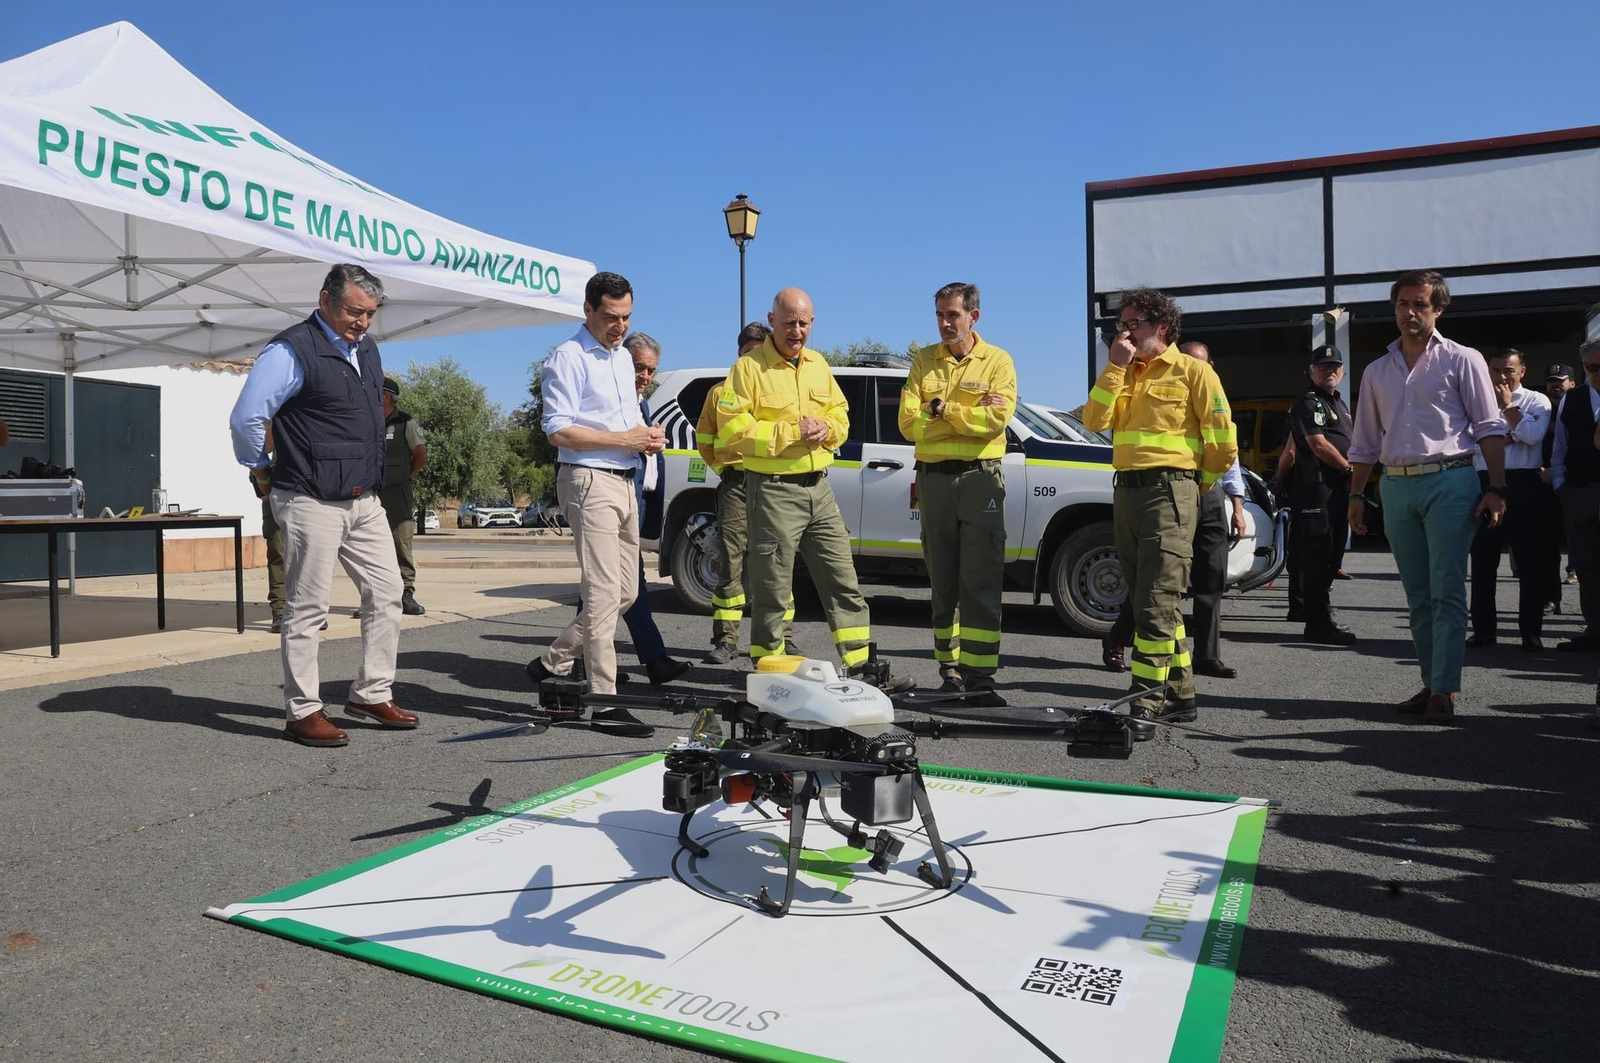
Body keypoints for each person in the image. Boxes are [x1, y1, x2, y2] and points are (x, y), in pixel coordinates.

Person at [228, 263, 418, 747]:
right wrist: (261, 468)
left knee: (388, 591)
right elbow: (248, 417)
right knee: (307, 608)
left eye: (370, 314)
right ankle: (302, 710)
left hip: (364, 499)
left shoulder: (368, 350)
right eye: (355, 311)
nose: (363, 322)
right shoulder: (290, 350)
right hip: (310, 497)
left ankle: (371, 692)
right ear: (326, 299)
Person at [714, 287, 910, 690]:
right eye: (789, 323)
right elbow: (732, 430)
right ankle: (769, 674)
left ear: (813, 323)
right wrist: (792, 432)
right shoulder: (747, 369)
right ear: (772, 321)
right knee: (773, 586)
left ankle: (860, 667)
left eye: (804, 323)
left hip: (819, 487)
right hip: (772, 489)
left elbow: (841, 414)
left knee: (843, 578)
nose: (797, 330)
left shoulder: (819, 365)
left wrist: (828, 428)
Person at [1347, 270, 1508, 725]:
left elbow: (1489, 427)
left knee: (1447, 591)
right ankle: (1430, 682)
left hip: (1451, 480)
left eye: (1419, 304)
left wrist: (1496, 488)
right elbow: (1363, 441)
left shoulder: (1463, 359)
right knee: (1417, 595)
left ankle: (1444, 689)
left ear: (1438, 308)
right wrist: (1356, 494)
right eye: (1402, 304)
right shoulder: (1377, 371)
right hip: (1395, 484)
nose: (1410, 312)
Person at [1081, 288, 1237, 727]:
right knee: (1150, 599)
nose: (1125, 332)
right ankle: (1181, 694)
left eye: (1134, 323)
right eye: (1121, 324)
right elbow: (1094, 421)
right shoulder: (1124, 371)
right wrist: (1114, 367)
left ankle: (1145, 702)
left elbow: (1224, 446)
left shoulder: (1194, 373)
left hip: (1171, 491)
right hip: (1127, 492)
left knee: (1155, 602)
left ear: (1161, 328)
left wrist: (1195, 487)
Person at [525, 272, 665, 736]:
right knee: (604, 593)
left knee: (625, 593)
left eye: (626, 317)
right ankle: (604, 702)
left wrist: (644, 438)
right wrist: (623, 438)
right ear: (587, 310)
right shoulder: (567, 358)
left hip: (626, 480)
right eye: (610, 317)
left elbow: (621, 422)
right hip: (588, 482)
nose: (619, 326)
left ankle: (554, 662)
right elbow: (557, 429)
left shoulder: (623, 358)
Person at [897, 282, 1016, 703]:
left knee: (980, 579)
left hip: (980, 478)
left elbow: (996, 421)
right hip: (933, 480)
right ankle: (949, 671)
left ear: (973, 317)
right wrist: (969, 414)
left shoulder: (998, 361)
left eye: (953, 315)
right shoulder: (923, 361)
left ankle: (980, 677)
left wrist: (942, 409)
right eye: (940, 316)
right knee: (943, 580)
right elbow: (907, 424)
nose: (945, 323)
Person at [1100, 340, 1246, 678]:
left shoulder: (1207, 386)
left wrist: (1235, 504)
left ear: (1211, 366)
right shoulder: (1174, 382)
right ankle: (1120, 639)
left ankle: (1206, 656)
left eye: (1203, 363)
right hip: (1176, 491)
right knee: (1157, 581)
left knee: (1210, 578)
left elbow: (1230, 456)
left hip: (1207, 490)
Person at [695, 322, 794, 664]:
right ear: (738, 353)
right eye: (747, 351)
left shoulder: (778, 390)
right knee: (731, 561)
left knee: (777, 561)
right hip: (736, 483)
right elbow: (705, 440)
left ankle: (783, 637)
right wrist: (723, 469)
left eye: (758, 350)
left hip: (772, 482)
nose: (752, 356)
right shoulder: (720, 393)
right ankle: (726, 640)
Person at [608, 331, 691, 686]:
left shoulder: (639, 402)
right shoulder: (612, 401)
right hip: (611, 504)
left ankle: (652, 659)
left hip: (635, 506)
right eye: (639, 367)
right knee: (605, 587)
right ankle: (565, 662)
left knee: (628, 586)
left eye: (651, 370)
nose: (645, 375)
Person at [1466, 348, 1552, 651]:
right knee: (1483, 560)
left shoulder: (1536, 400)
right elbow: (1469, 443)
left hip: (1524, 484)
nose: (1502, 377)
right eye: (1496, 370)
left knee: (1529, 561)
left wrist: (1507, 409)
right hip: (1484, 481)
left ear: (1522, 371)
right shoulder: (1476, 400)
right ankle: (1484, 631)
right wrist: (1511, 434)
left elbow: (1533, 435)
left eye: (1509, 370)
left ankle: (1530, 632)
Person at [1288, 345, 1357, 645]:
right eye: (1323, 366)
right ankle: (1316, 623)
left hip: (1337, 490)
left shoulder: (1339, 404)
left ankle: (1321, 617)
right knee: (1318, 557)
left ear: (1341, 371)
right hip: (1318, 488)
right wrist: (1349, 470)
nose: (1330, 370)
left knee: (1332, 556)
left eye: (1335, 366)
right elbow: (1318, 444)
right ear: (1311, 371)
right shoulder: (1309, 401)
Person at [1549, 339, 1600, 652]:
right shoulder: (1574, 398)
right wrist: (1561, 486)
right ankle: (1595, 631)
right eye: (1592, 367)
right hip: (1581, 493)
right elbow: (1560, 446)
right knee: (1587, 565)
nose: (1597, 373)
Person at [378, 377, 427, 616]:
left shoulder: (406, 422)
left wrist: (403, 476)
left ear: (386, 396)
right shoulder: (367, 422)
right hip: (372, 494)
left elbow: (420, 456)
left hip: (398, 494)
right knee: (372, 547)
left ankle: (406, 593)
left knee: (401, 544)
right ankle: (375, 597)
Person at [1543, 363, 1579, 592]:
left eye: (1561, 381)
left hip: (1572, 480)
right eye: (1552, 381)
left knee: (1575, 530)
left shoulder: (1580, 408)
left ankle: (1574, 570)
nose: (1556, 385)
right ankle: (1550, 595)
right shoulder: (1539, 408)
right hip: (1542, 479)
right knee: (1546, 538)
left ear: (1572, 383)